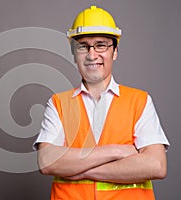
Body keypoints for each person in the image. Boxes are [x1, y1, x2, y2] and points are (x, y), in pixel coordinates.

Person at [33, 5, 170, 200]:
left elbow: (156, 165)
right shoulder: (58, 104)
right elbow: (47, 161)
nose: (91, 54)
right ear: (74, 53)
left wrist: (79, 169)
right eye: (83, 46)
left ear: (114, 51)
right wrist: (117, 151)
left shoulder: (139, 101)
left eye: (101, 45)